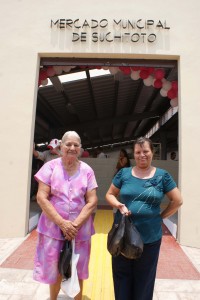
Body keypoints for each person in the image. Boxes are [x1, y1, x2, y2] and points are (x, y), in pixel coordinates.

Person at [105, 137, 183, 300]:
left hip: (150, 238)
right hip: (122, 236)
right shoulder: (124, 173)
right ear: (134, 154)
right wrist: (119, 205)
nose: (142, 155)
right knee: (121, 277)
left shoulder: (163, 176)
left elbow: (177, 200)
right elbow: (110, 194)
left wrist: (160, 217)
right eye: (138, 152)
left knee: (144, 280)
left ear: (152, 152)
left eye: (145, 151)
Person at [33, 131, 98, 300]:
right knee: (54, 269)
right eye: (68, 144)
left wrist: (74, 225)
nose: (72, 148)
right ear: (61, 146)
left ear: (80, 149)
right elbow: (41, 197)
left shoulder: (87, 170)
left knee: (79, 269)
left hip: (80, 230)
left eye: (76, 145)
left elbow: (92, 201)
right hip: (53, 229)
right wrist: (63, 224)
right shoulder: (50, 167)